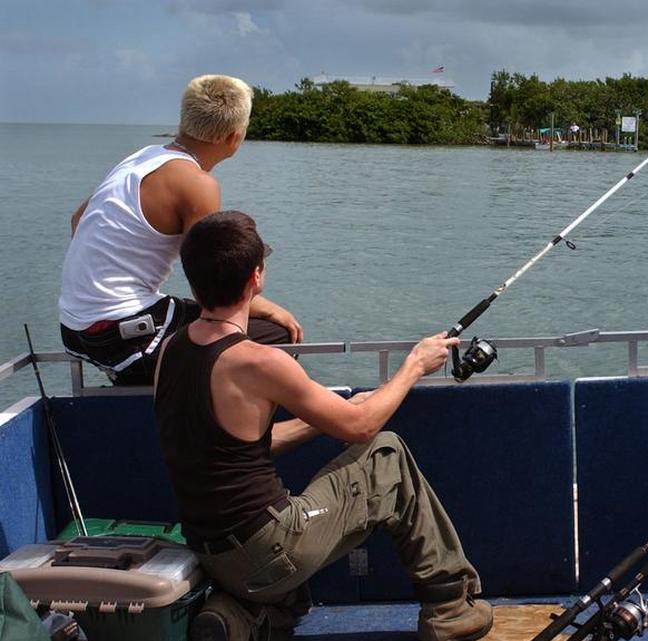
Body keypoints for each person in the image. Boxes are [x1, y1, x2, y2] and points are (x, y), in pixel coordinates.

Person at [153, 210, 493, 641]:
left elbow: (237, 449)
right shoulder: (259, 361)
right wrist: (414, 365)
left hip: (211, 551)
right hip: (267, 549)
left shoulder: (172, 349)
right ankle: (449, 610)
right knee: (386, 454)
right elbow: (363, 428)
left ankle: (235, 619)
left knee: (290, 586)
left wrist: (327, 417)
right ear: (256, 277)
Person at [59, 74, 302, 386]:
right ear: (234, 137)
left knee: (212, 323)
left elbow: (78, 219)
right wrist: (268, 309)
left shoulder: (142, 158)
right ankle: (213, 422)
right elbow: (213, 284)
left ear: (184, 122)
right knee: (278, 335)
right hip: (123, 337)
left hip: (75, 329)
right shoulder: (198, 184)